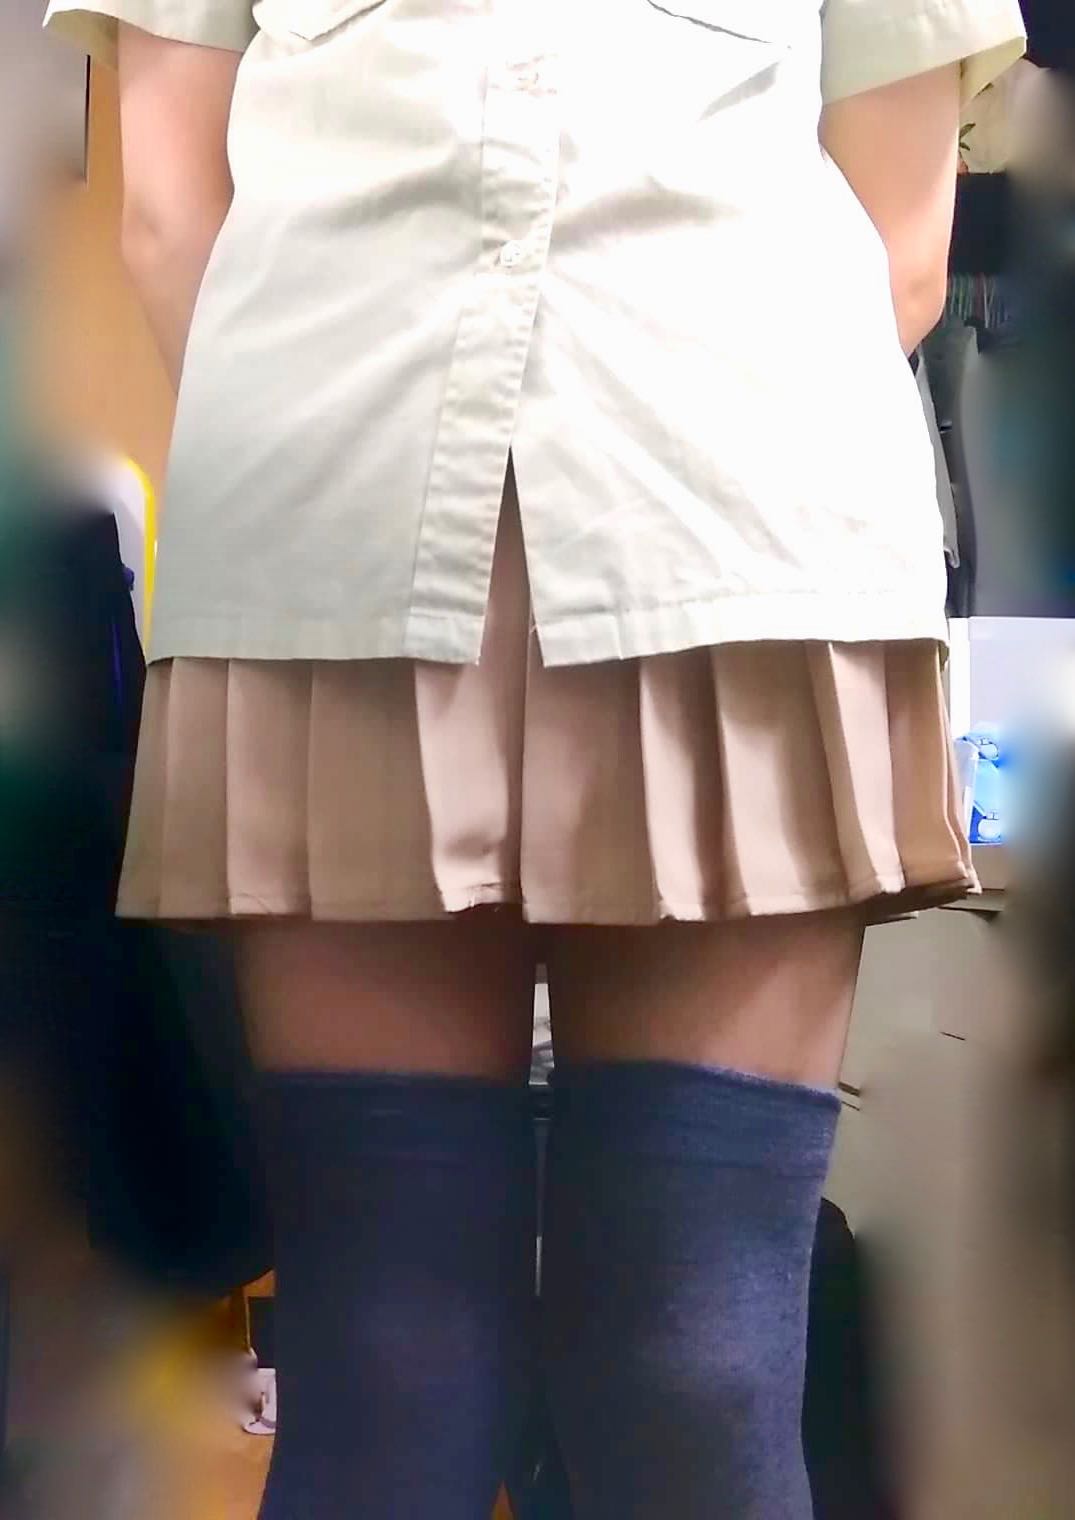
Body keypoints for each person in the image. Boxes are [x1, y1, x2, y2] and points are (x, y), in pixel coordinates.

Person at [43, 2, 1028, 1516]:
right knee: (447, 1371)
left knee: (645, 1362)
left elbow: (897, 251)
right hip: (347, 551)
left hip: (730, 558)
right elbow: (172, 214)